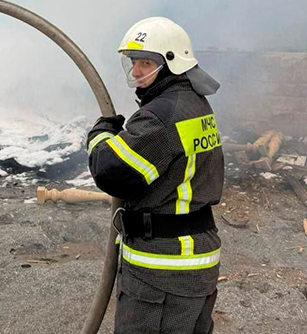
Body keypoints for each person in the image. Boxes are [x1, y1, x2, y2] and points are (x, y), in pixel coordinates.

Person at [86, 17, 224, 334]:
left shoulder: (161, 116)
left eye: (145, 63)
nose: (135, 72)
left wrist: (100, 134)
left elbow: (110, 172)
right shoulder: (195, 105)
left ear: (172, 63)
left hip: (162, 269)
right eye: (133, 63)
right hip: (195, 258)